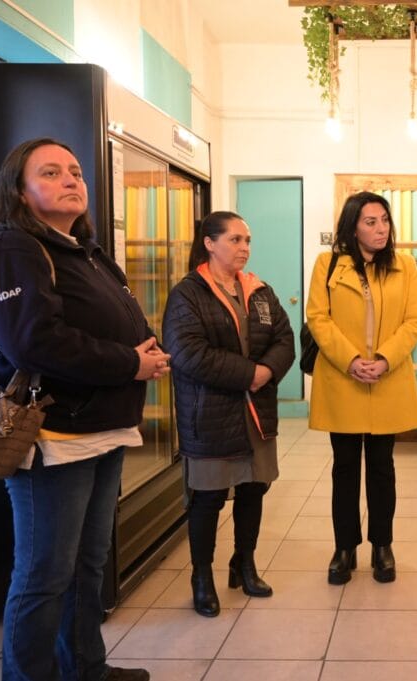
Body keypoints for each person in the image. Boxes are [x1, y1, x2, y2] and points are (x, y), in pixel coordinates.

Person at [0, 137, 170, 681]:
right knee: (43, 574)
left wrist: (145, 350)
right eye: (52, 173)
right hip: (53, 436)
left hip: (102, 429)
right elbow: (33, 342)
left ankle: (85, 668)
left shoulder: (83, 251)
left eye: (75, 172)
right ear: (20, 191)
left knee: (86, 566)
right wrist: (129, 363)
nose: (71, 180)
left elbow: (119, 319)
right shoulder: (14, 250)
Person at [162, 211, 294, 617]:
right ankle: (202, 577)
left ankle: (245, 564)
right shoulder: (188, 294)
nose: (244, 248)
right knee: (208, 498)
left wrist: (268, 371)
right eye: (235, 240)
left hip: (255, 412)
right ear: (209, 243)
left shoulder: (258, 290)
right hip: (211, 415)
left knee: (254, 489)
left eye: (247, 240)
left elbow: (284, 338)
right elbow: (189, 354)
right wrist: (250, 374)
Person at [306, 191, 417, 585]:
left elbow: (414, 321)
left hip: (388, 381)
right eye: (370, 222)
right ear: (353, 226)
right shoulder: (328, 264)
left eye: (385, 221)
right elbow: (318, 319)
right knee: (343, 470)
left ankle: (382, 546)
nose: (380, 229)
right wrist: (352, 360)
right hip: (343, 380)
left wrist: (386, 358)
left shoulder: (405, 266)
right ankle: (344, 548)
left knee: (382, 470)